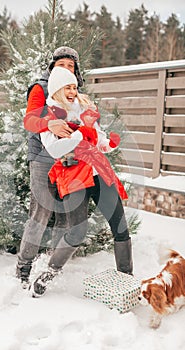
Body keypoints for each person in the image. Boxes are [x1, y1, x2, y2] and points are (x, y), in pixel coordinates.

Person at [31, 66, 133, 297]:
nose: (72, 91)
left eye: (74, 87)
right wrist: (80, 133)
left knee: (120, 227)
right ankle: (49, 274)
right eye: (67, 87)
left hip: (99, 172)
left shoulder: (85, 109)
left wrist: (108, 144)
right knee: (77, 232)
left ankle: (127, 281)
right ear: (57, 88)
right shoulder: (49, 116)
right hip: (74, 177)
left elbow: (99, 141)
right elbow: (54, 149)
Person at [16, 47, 84, 287]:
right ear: (52, 67)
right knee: (40, 214)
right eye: (62, 64)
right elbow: (29, 120)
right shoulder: (40, 88)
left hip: (70, 162)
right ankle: (23, 266)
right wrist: (50, 124)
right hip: (43, 159)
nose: (66, 69)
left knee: (66, 216)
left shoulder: (76, 94)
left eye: (71, 66)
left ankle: (50, 264)